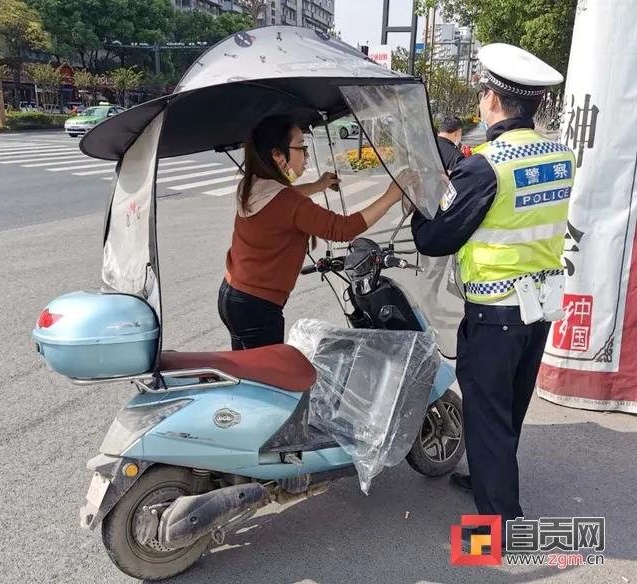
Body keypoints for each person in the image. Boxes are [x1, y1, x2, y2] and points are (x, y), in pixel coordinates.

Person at [411, 43, 576, 550]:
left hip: (496, 312)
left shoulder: (485, 166)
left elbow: (433, 238)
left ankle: (501, 530)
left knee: (486, 411)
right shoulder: (558, 154)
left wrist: (428, 193)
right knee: (508, 410)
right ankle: (488, 478)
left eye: (484, 93)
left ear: (492, 101)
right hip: (540, 308)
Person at [219, 114, 413, 350]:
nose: (307, 155)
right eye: (301, 148)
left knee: (246, 373)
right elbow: (344, 229)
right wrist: (391, 196)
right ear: (278, 155)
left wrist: (318, 185)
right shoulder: (287, 202)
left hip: (233, 295)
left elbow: (282, 201)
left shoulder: (252, 185)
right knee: (266, 382)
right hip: (257, 307)